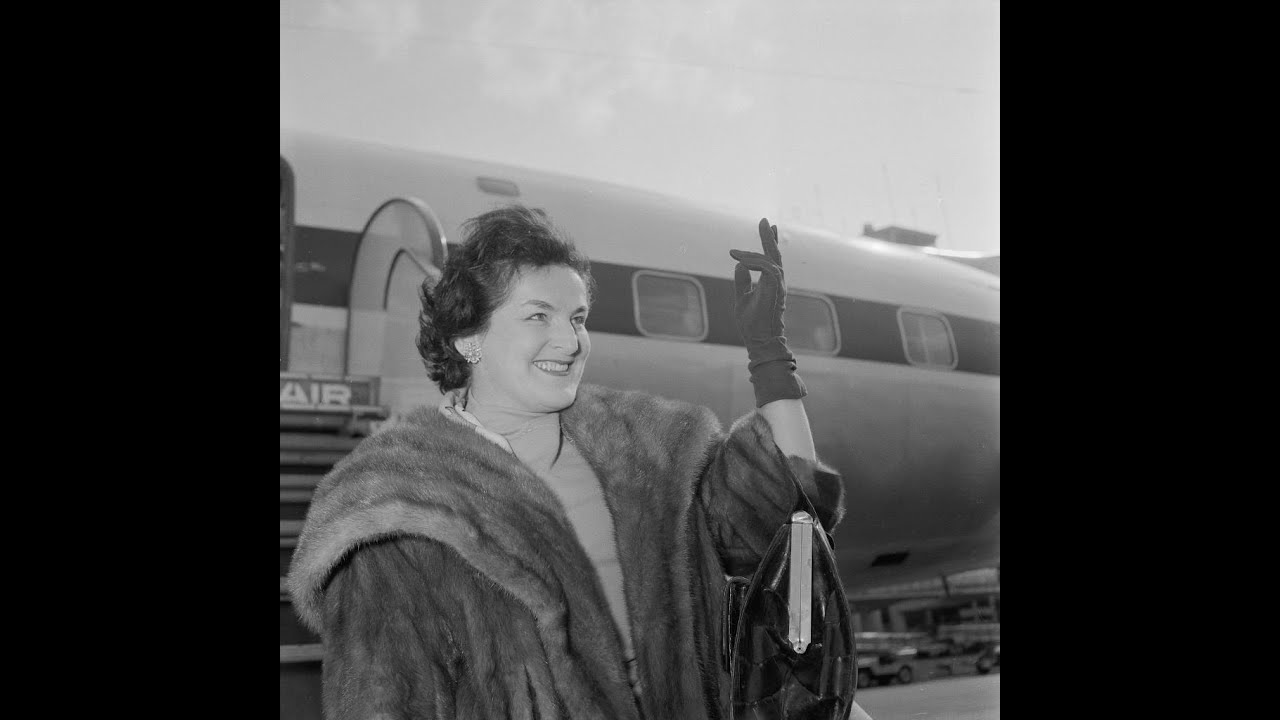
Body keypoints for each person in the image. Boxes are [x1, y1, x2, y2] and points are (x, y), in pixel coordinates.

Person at [287, 205, 871, 719]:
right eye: (538, 316)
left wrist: (770, 357)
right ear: (469, 338)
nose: (569, 341)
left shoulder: (652, 452)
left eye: (578, 317)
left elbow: (783, 511)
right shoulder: (399, 504)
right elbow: (387, 700)